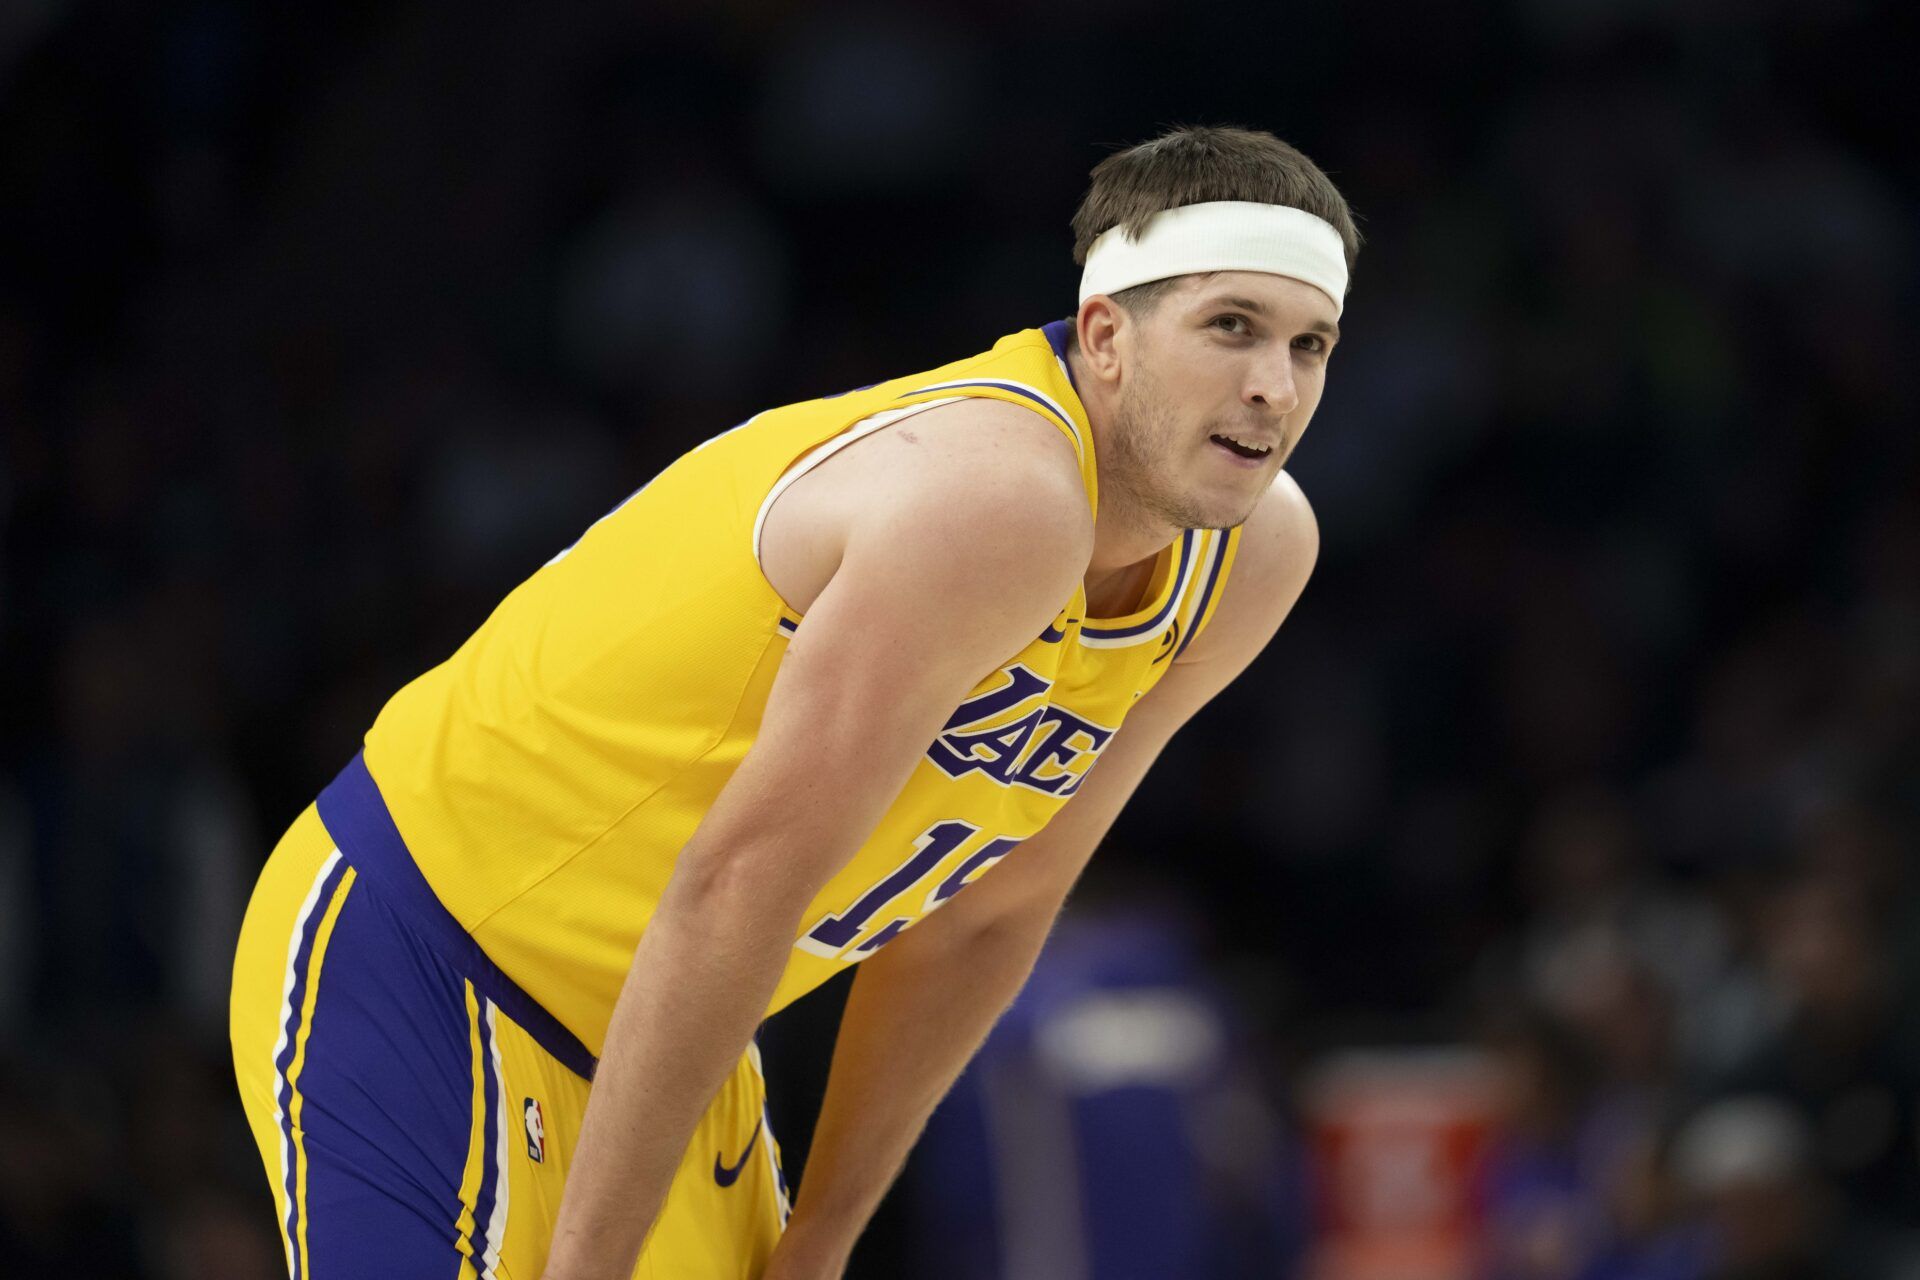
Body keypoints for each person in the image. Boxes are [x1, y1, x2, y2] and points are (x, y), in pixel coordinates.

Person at [228, 123, 1359, 1280]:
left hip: (669, 1029)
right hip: (433, 947)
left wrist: (822, 1233)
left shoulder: (1252, 555)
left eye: (1309, 343)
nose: (1273, 387)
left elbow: (990, 911)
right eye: (1231, 326)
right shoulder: (1002, 497)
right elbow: (734, 885)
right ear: (1108, 334)